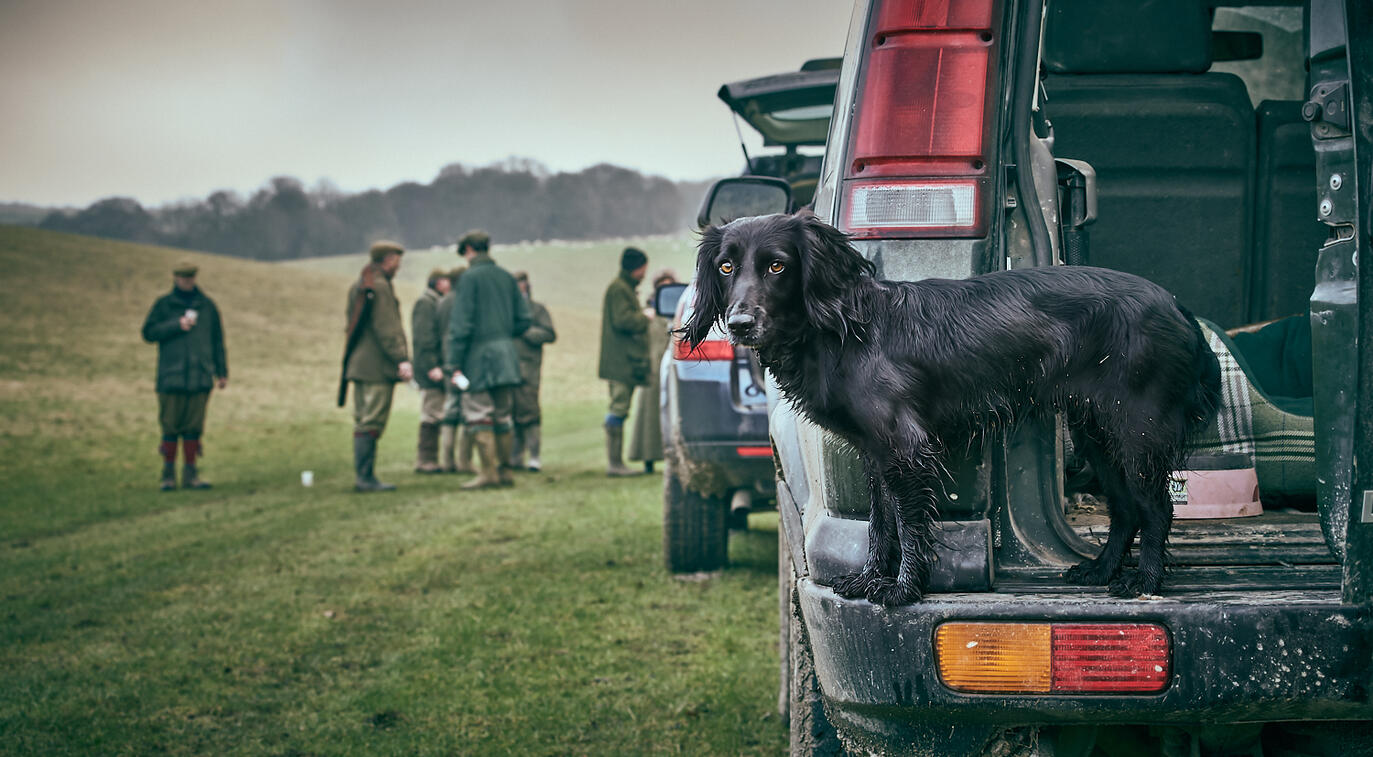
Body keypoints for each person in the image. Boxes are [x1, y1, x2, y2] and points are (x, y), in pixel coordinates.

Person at [444, 230, 531, 489]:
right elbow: (524, 319)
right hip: (506, 355)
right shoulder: (506, 277)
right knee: (503, 415)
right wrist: (504, 336)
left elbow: (460, 325)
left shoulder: (469, 279)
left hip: (478, 357)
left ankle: (488, 473)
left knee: (479, 413)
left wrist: (453, 363)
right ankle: (506, 472)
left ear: (469, 249)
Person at [141, 260, 228, 491]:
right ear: (176, 279)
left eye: (189, 278)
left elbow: (217, 341)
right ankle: (168, 475)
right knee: (170, 426)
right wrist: (175, 325)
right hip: (171, 377)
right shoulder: (164, 306)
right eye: (182, 279)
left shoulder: (207, 307)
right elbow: (148, 333)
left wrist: (221, 372)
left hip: (200, 377)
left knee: (193, 427)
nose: (186, 282)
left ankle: (191, 474)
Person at [342, 241, 412, 492]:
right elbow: (388, 329)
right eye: (396, 260)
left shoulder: (360, 284)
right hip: (375, 367)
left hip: (359, 365)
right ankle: (365, 478)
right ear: (387, 259)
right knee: (371, 422)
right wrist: (402, 359)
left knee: (362, 420)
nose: (399, 266)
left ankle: (364, 476)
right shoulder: (380, 288)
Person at [598, 246, 653, 477]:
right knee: (618, 408)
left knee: (620, 408)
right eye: (643, 268)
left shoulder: (622, 288)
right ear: (636, 267)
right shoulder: (619, 289)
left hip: (623, 360)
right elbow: (623, 321)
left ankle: (616, 462)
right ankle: (614, 464)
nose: (644, 273)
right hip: (621, 362)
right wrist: (645, 317)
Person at [628, 268, 678, 473]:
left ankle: (673, 459)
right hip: (651, 370)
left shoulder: (678, 315)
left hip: (672, 372)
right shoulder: (647, 314)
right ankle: (648, 459)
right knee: (648, 417)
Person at [510, 271, 557, 472]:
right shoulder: (506, 311)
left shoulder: (537, 310)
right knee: (511, 414)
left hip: (529, 370)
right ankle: (515, 457)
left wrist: (527, 332)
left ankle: (534, 457)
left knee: (530, 414)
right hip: (509, 369)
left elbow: (549, 333)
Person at [411, 268, 451, 473]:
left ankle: (434, 459)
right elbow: (424, 339)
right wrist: (432, 367)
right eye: (445, 280)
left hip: (436, 368)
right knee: (431, 415)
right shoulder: (426, 303)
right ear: (436, 282)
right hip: (430, 370)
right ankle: (425, 460)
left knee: (437, 412)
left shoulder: (436, 302)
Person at [436, 266, 469, 473]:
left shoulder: (442, 302)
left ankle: (446, 460)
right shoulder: (465, 301)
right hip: (463, 361)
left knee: (450, 408)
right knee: (467, 410)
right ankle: (464, 460)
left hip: (446, 361)